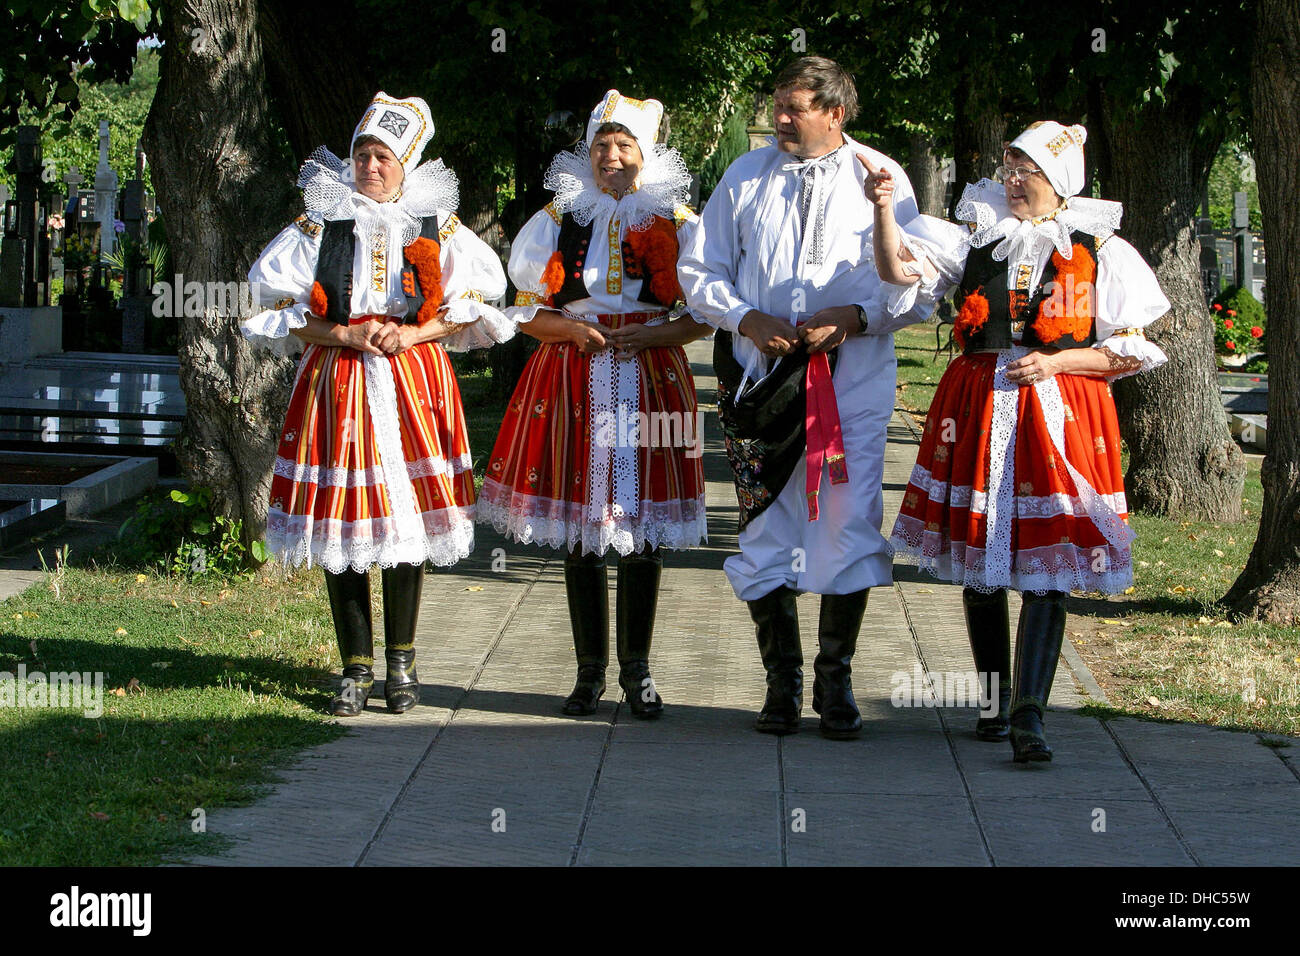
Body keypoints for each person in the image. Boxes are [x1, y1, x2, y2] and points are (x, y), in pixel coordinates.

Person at [864, 120, 1169, 761]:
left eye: (1024, 171)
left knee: (1044, 559)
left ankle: (1031, 711)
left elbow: (1133, 351)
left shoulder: (1099, 249)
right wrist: (886, 209)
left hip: (1060, 410)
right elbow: (896, 273)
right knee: (982, 556)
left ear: (1057, 182)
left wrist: (1059, 363)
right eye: (1008, 168)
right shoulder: (978, 237)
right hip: (979, 403)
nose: (1011, 181)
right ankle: (992, 702)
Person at [678, 57, 939, 738]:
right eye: (777, 105)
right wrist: (743, 318)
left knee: (847, 520)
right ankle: (780, 684)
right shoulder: (744, 174)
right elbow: (700, 270)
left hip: (848, 383)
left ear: (835, 113)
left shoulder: (881, 176)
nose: (779, 119)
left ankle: (835, 683)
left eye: (794, 108)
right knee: (766, 524)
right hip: (759, 382)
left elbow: (912, 281)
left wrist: (856, 317)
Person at [241, 92, 512, 716]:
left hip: (415, 379)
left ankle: (403, 663)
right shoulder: (321, 224)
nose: (370, 166)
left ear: (407, 164)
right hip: (338, 380)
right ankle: (354, 667)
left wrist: (412, 332)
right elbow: (277, 309)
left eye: (383, 156)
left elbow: (475, 303)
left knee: (404, 522)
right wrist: (344, 333)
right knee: (346, 521)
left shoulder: (437, 227)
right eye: (362, 154)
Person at [478, 90, 710, 719]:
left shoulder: (679, 221)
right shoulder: (558, 216)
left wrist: (655, 334)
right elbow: (525, 313)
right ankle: (588, 673)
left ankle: (638, 670)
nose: (612, 156)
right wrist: (573, 330)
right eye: (602, 145)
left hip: (653, 373)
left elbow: (707, 316)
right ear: (587, 153)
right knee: (581, 527)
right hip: (573, 372)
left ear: (646, 153)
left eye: (625, 145)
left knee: (642, 534)